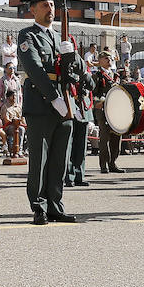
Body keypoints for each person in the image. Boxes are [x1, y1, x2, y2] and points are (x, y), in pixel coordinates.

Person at [16, 0, 77, 224]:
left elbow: (74, 70)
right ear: (33, 9)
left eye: (52, 5)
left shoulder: (60, 37)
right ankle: (39, 206)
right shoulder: (27, 36)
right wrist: (53, 97)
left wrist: (73, 58)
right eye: (44, 5)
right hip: (42, 103)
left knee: (59, 160)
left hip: (64, 103)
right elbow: (34, 68)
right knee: (40, 159)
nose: (50, 9)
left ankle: (55, 205)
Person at [90, 51, 124, 174]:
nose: (109, 60)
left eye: (110, 58)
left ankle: (113, 163)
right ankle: (103, 165)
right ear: (99, 61)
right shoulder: (97, 76)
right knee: (105, 138)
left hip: (116, 111)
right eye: (105, 58)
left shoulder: (116, 76)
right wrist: (98, 102)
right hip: (103, 110)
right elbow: (93, 94)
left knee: (116, 138)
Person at [63, 45, 92, 186]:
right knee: (69, 145)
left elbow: (91, 85)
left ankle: (80, 175)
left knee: (81, 146)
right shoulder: (64, 66)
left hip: (82, 108)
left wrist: (85, 74)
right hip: (71, 107)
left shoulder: (84, 69)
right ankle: (69, 176)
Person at [0, 91, 24, 158]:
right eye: (13, 96)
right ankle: (16, 150)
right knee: (20, 129)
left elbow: (22, 118)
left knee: (24, 129)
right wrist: (15, 122)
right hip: (9, 126)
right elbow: (6, 120)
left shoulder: (18, 107)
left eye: (15, 96)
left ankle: (20, 150)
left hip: (18, 125)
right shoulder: (5, 107)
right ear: (8, 97)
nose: (14, 97)